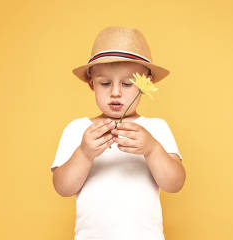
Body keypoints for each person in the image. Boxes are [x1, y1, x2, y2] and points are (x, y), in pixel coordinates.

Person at [50, 26, 186, 240]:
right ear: (91, 83)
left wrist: (152, 150)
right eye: (105, 83)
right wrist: (84, 153)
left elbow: (175, 183)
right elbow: (62, 187)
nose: (115, 92)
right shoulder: (78, 129)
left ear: (145, 84)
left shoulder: (156, 128)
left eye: (127, 83)